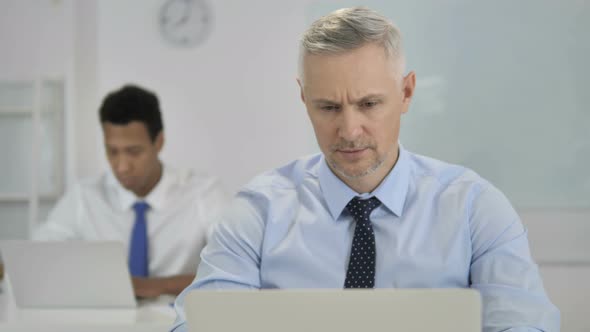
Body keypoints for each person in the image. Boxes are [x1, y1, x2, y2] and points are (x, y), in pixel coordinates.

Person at [171, 7, 559, 332]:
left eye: (369, 104)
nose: (350, 130)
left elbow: (524, 324)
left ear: (406, 92)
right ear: (304, 99)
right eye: (328, 107)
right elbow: (197, 323)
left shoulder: (474, 208)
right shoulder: (258, 212)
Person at [34, 84, 228, 299]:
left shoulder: (203, 193)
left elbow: (238, 269)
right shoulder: (85, 196)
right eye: (112, 151)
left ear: (159, 142)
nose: (122, 166)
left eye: (134, 152)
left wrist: (151, 286)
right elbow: (38, 261)